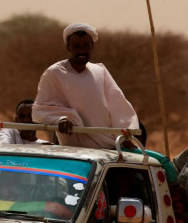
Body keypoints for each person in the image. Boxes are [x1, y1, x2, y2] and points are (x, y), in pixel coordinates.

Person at [32, 22, 139, 150]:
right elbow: (40, 110)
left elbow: (118, 105)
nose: (82, 51)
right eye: (76, 46)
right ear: (68, 47)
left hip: (108, 145)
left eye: (85, 46)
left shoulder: (99, 71)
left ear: (92, 46)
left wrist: (125, 136)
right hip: (75, 148)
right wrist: (61, 119)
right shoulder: (54, 73)